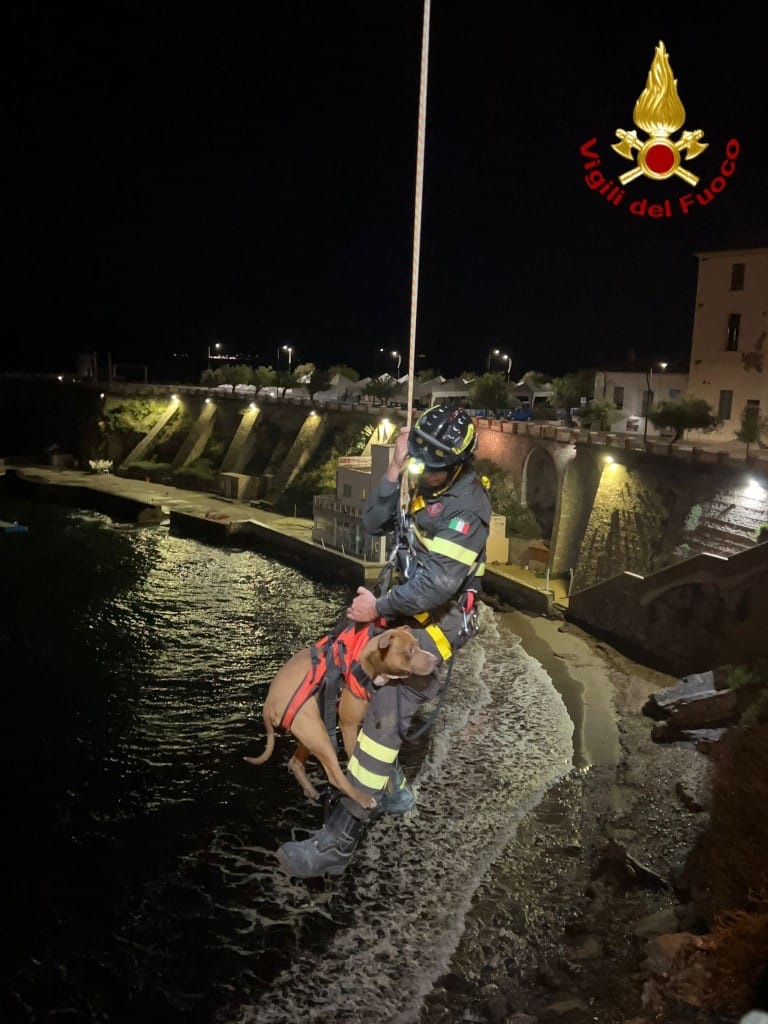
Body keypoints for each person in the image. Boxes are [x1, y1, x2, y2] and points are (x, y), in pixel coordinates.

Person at [277, 404, 492, 878]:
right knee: (346, 671)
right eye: (420, 462)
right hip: (403, 611)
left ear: (458, 464)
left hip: (434, 624)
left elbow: (438, 585)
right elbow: (373, 523)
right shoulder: (422, 481)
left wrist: (376, 608)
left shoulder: (467, 508)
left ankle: (339, 842)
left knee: (384, 718)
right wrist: (394, 469)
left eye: (434, 467)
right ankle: (392, 789)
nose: (426, 472)